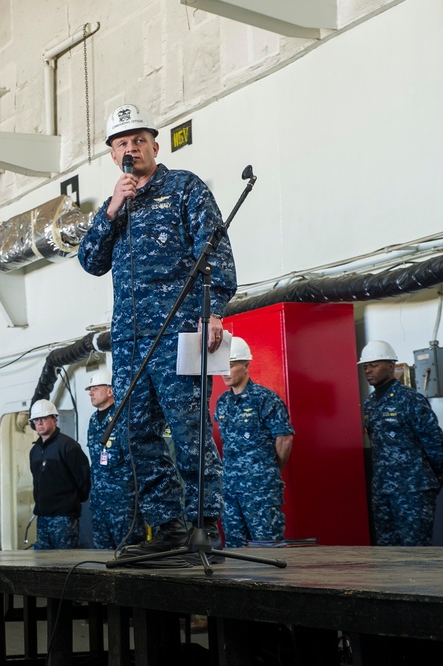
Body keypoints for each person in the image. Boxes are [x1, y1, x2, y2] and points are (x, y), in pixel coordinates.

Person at [78, 103, 236, 557]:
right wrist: (111, 209)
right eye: (122, 143)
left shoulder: (185, 188)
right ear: (113, 155)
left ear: (154, 145)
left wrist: (214, 311)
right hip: (129, 342)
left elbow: (216, 253)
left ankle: (205, 527)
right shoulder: (115, 205)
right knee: (135, 433)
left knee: (190, 431)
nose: (131, 149)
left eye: (139, 140)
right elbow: (90, 262)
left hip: (180, 331)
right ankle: (168, 526)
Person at [359, 340, 443, 546]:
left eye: (374, 365)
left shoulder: (410, 400)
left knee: (415, 548)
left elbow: (434, 441)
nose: (369, 370)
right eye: (366, 366)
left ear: (391, 366)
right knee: (387, 550)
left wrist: (433, 475)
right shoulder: (370, 403)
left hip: (413, 488)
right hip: (382, 489)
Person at [214, 337, 294, 547]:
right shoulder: (222, 402)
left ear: (246, 365)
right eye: (223, 366)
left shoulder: (265, 399)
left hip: (260, 489)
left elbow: (284, 439)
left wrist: (269, 471)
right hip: (230, 489)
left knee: (267, 545)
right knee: (234, 548)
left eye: (230, 366)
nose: (225, 372)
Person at [84, 371, 145, 550]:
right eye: (90, 389)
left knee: (129, 555)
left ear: (110, 391)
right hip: (100, 505)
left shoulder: (124, 418)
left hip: (123, 505)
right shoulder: (93, 421)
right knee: (101, 557)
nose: (90, 393)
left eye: (95, 388)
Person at [28, 399, 91, 549]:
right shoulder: (35, 451)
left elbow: (83, 478)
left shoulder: (68, 446)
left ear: (55, 419)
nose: (40, 423)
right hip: (42, 517)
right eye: (36, 419)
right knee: (44, 564)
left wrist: (72, 502)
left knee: (66, 562)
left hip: (64, 518)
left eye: (44, 418)